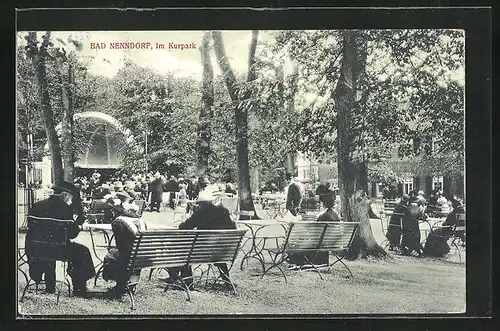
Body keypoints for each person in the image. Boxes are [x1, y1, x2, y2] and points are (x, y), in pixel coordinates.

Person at [25, 181, 95, 296]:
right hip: (58, 250)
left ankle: (50, 286)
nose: (71, 201)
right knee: (83, 251)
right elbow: (72, 235)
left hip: (36, 248)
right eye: (71, 198)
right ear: (64, 195)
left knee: (49, 248)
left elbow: (30, 227)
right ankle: (79, 288)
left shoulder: (38, 205)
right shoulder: (65, 209)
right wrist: (78, 226)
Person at [165, 190, 236, 289]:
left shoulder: (200, 213)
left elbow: (184, 227)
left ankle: (186, 281)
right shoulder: (224, 211)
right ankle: (226, 280)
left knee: (181, 250)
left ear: (201, 204)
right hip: (224, 251)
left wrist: (182, 222)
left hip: (204, 252)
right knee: (213, 246)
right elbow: (233, 228)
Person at [102, 195, 147, 295]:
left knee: (113, 253)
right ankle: (131, 283)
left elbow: (120, 246)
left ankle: (120, 285)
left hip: (130, 256)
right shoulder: (141, 221)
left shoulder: (118, 222)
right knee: (130, 253)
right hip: (144, 255)